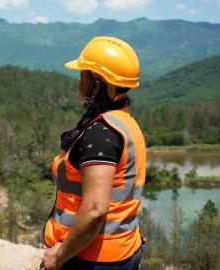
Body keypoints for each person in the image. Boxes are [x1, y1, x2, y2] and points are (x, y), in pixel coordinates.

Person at [40, 36, 147, 270]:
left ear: (96, 83)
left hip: (89, 258)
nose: (79, 81)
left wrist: (59, 257)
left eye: (82, 74)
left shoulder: (101, 134)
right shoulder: (125, 122)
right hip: (124, 249)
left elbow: (95, 210)